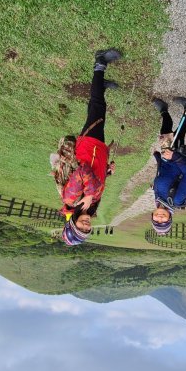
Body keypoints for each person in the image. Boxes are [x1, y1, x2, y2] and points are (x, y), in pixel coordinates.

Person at [51, 49, 121, 245]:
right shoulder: (89, 208)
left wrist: (89, 195)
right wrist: (107, 172)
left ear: (72, 224)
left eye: (80, 228)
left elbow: (82, 171)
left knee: (97, 105)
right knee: (97, 109)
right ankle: (101, 85)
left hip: (89, 147)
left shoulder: (72, 200)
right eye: (87, 230)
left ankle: (99, 64)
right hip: (98, 153)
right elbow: (95, 180)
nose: (85, 225)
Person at [150, 96, 186, 235]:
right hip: (178, 156)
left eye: (156, 221)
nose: (160, 219)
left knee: (165, 134)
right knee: (179, 132)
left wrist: (158, 158)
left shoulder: (158, 200)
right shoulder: (176, 200)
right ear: (170, 218)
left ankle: (164, 111)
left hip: (166, 158)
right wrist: (175, 157)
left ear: (152, 216)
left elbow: (161, 175)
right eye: (163, 222)